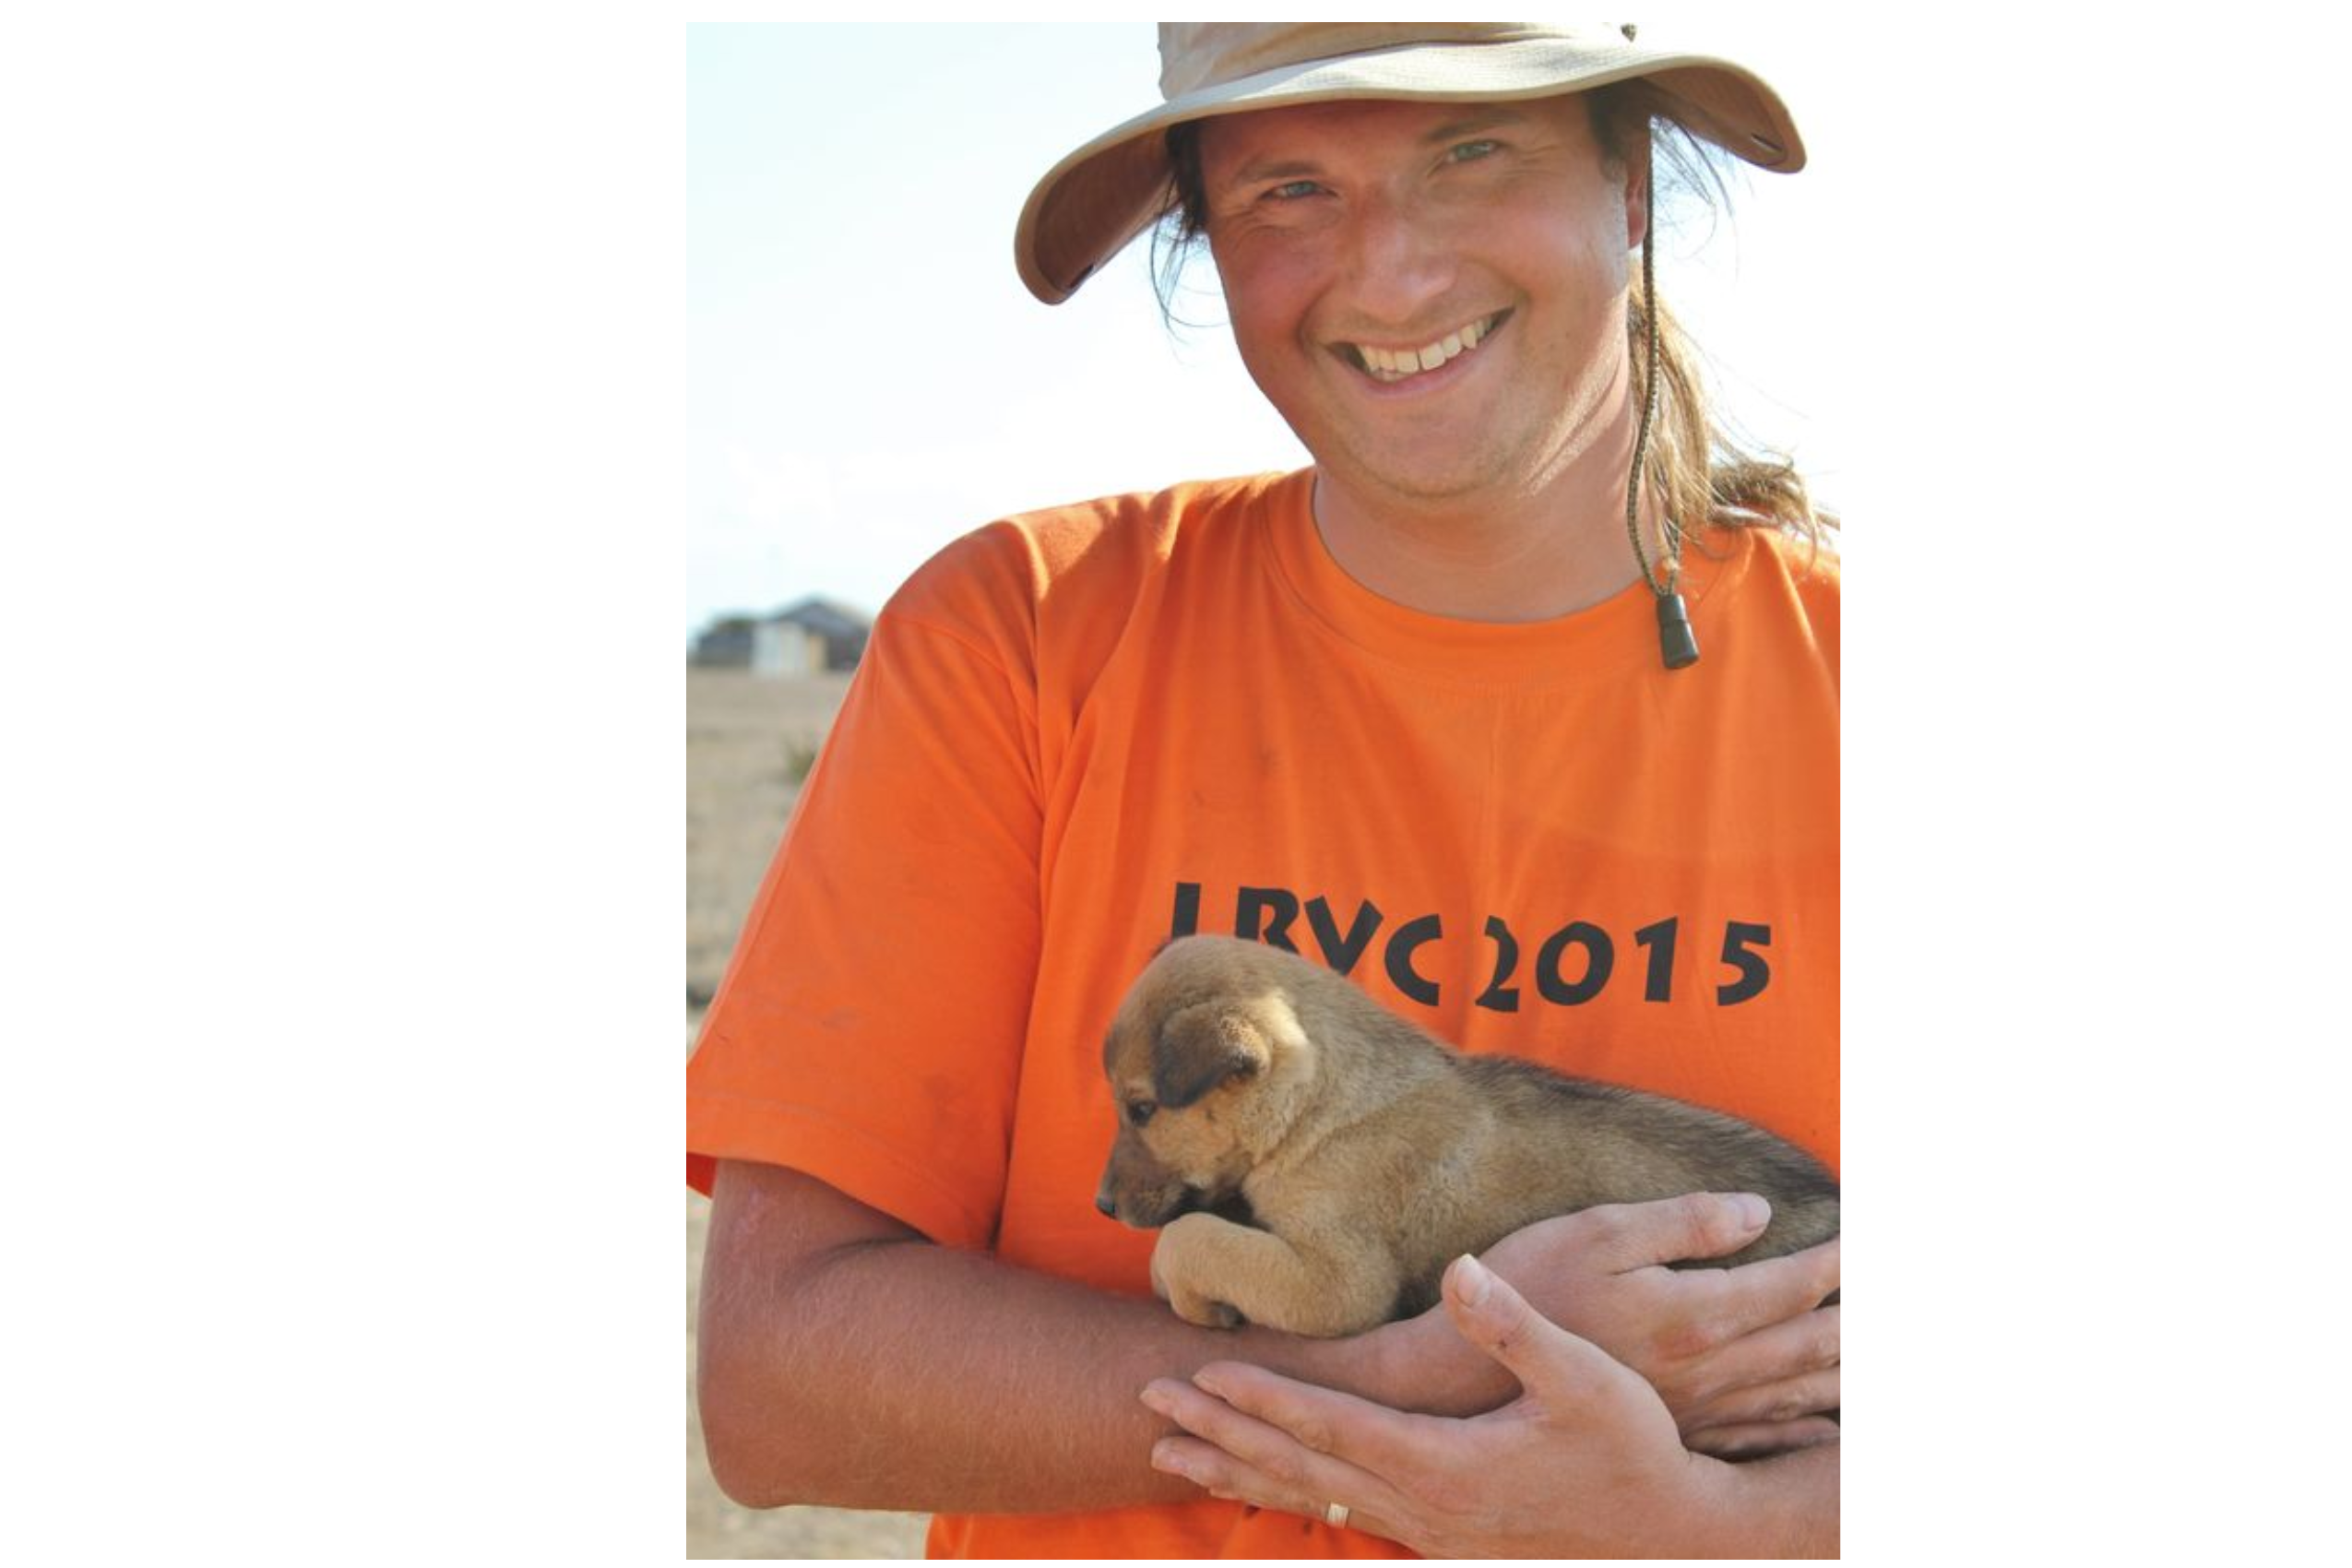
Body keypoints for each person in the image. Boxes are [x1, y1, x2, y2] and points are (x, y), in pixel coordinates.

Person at [688, 21, 1839, 1558]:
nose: (1389, 274)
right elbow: (780, 1384)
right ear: (1202, 238)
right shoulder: (1027, 633)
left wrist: (1723, 1525)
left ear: (1627, 178)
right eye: (1287, 190)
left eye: (1470, 151)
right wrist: (1409, 1382)